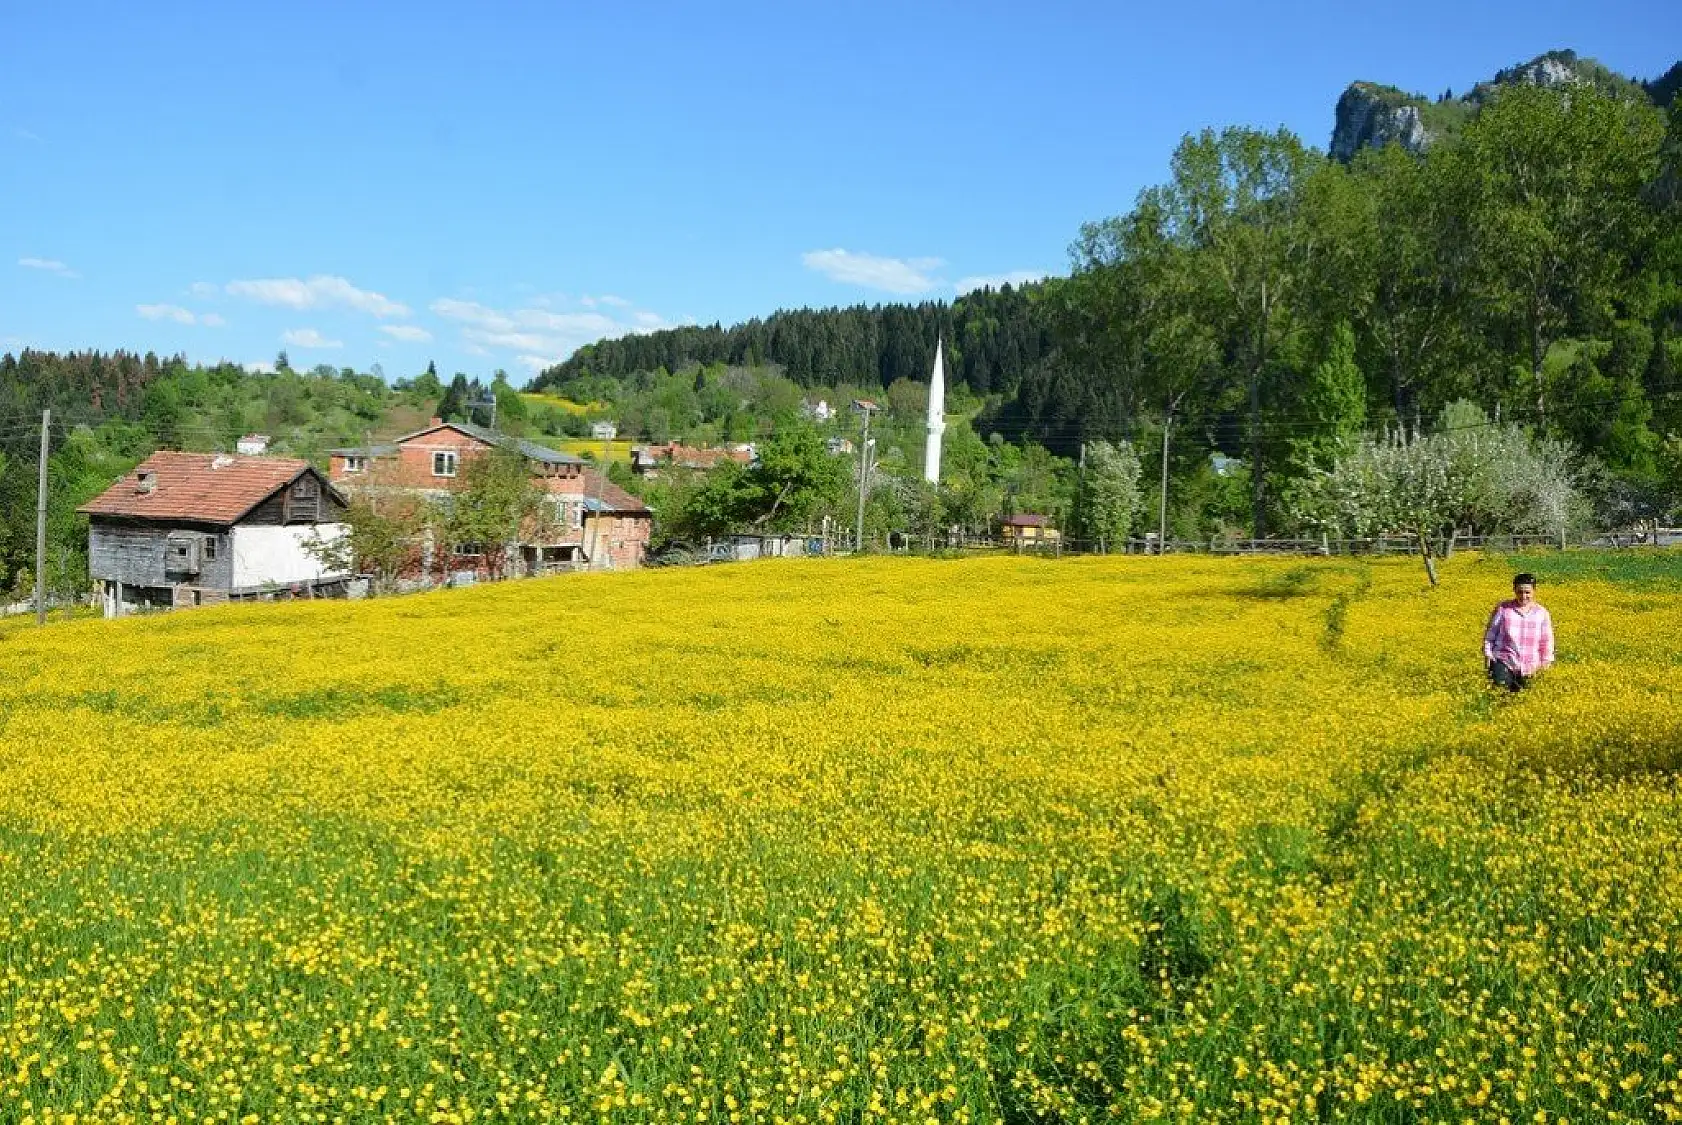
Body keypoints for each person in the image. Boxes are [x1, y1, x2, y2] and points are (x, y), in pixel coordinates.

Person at [1482, 573, 1554, 691]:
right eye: (1519, 592)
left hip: (1531, 666)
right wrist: (1488, 654)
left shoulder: (1541, 613)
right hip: (1504, 661)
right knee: (1500, 697)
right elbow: (1490, 635)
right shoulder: (1503, 609)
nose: (1523, 596)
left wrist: (1546, 662)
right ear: (1514, 590)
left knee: (1525, 703)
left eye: (1527, 592)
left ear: (1534, 591)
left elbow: (1546, 641)